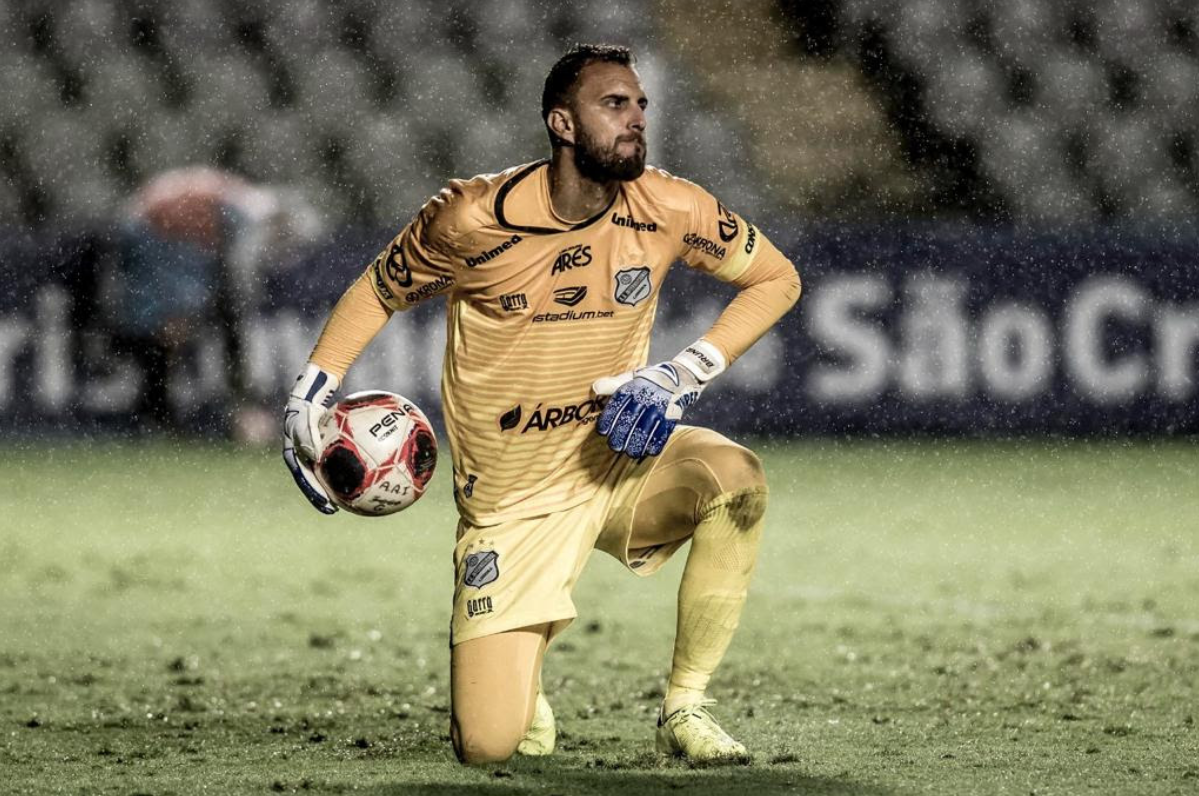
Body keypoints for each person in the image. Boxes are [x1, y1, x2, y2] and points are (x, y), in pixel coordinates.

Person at [282, 44, 801, 765]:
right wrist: (313, 388)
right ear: (561, 123)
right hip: (513, 502)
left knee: (734, 480)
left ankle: (685, 705)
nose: (636, 120)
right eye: (614, 105)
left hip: (614, 459)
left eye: (640, 105)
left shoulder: (671, 205)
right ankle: (517, 673)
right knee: (489, 745)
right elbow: (378, 289)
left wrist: (683, 372)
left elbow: (776, 279)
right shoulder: (470, 219)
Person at [117, 167, 320, 438]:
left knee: (170, 338)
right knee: (169, 334)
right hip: (155, 236)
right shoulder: (248, 214)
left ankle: (160, 419)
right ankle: (165, 418)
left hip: (155, 230)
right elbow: (237, 276)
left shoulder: (238, 203)